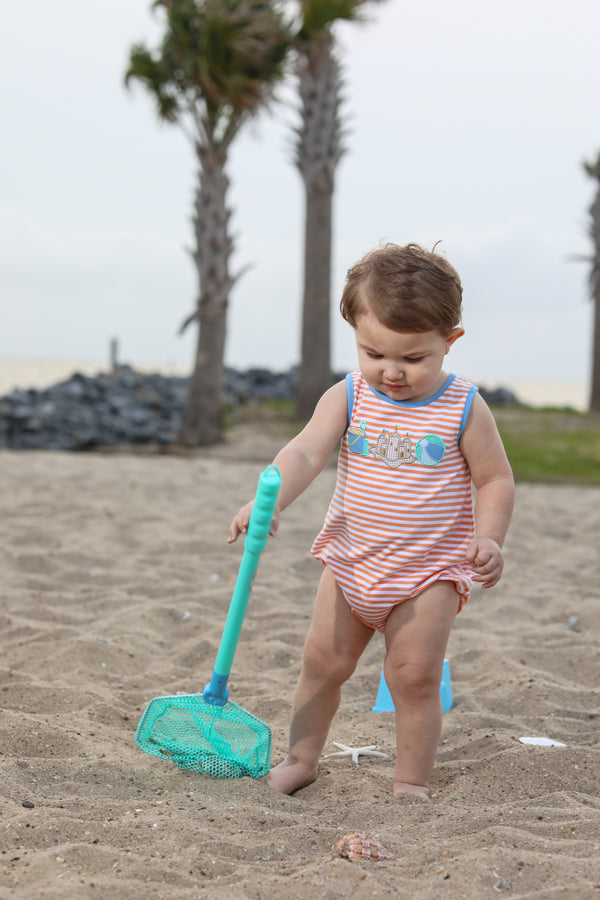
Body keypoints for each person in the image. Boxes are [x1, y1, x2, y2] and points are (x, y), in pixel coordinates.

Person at [228, 242, 515, 800]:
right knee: (321, 664)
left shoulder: (463, 406)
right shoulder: (350, 394)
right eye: (374, 353)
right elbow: (306, 452)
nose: (392, 372)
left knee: (411, 678)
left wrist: (490, 537)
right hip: (351, 562)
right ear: (355, 335)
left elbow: (495, 480)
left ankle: (409, 781)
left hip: (427, 573)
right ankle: (301, 758)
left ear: (449, 342)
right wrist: (269, 501)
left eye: (414, 359)